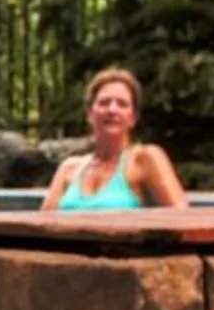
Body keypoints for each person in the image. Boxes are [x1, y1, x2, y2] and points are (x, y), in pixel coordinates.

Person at [39, 66, 190, 213]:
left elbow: (181, 218)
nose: (112, 110)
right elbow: (41, 225)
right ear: (90, 114)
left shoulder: (145, 159)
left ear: (132, 118)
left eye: (122, 104)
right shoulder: (69, 168)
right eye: (104, 103)